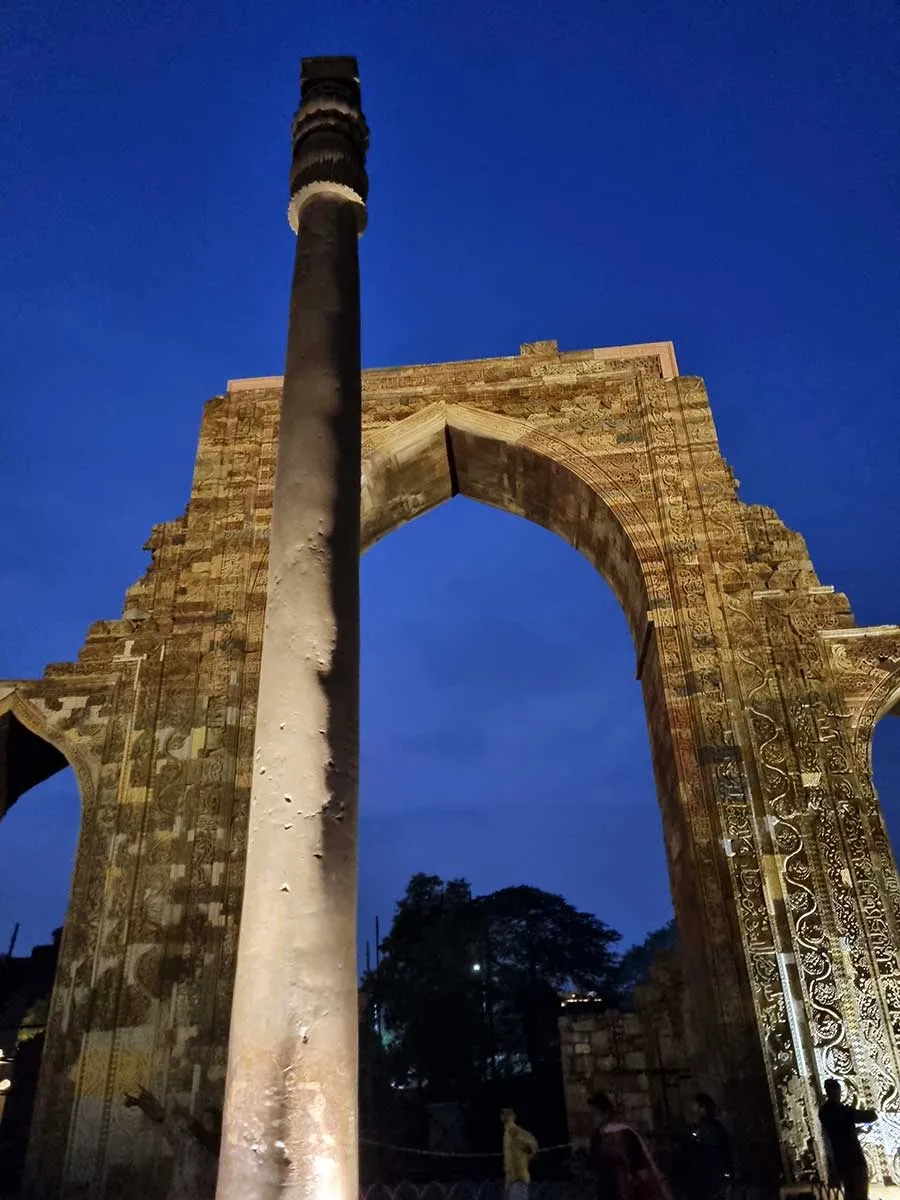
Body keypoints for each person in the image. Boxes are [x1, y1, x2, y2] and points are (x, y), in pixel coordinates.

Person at [124, 1085, 220, 1199]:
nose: (203, 1124)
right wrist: (149, 1108)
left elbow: (204, 1136)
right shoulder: (188, 1146)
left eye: (208, 1121)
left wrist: (182, 1111)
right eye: (202, 1120)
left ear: (217, 1128)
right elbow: (166, 1125)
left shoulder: (218, 1155)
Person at [588, 1091, 673, 1200]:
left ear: (605, 1113)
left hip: (622, 1189)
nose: (593, 1119)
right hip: (613, 1190)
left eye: (595, 1114)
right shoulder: (600, 1136)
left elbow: (639, 1164)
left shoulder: (621, 1133)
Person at [818, 1078, 876, 1200]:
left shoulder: (823, 1112)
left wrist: (856, 1130)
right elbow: (869, 1116)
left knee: (850, 1193)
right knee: (859, 1193)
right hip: (854, 1159)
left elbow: (839, 1130)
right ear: (837, 1092)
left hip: (840, 1160)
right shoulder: (842, 1111)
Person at [687, 1093, 732, 1200]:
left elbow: (710, 1155)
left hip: (710, 1181)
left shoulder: (709, 1129)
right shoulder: (701, 1127)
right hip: (706, 1181)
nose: (691, 1109)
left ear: (703, 1109)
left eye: (695, 1106)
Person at [501, 1107, 538, 1200]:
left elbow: (532, 1144)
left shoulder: (513, 1131)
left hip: (518, 1178)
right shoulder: (508, 1133)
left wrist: (530, 1152)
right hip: (514, 1178)